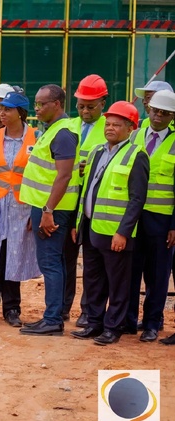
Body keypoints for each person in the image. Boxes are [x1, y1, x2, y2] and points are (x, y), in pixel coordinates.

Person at [70, 101, 149, 345]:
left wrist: (123, 232)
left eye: (117, 125)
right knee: (93, 280)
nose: (110, 128)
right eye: (108, 123)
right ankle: (94, 324)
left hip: (115, 233)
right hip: (92, 227)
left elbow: (137, 199)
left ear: (130, 129)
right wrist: (78, 223)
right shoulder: (96, 151)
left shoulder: (137, 155)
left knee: (118, 283)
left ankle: (112, 327)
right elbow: (87, 190)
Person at [18, 84, 80, 336]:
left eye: (42, 103)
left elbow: (63, 176)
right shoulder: (53, 129)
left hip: (53, 210)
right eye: (35, 103)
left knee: (51, 263)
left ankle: (53, 318)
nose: (37, 108)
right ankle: (53, 315)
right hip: (46, 208)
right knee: (54, 262)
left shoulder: (63, 133)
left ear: (57, 104)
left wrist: (47, 210)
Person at [0, 91, 40, 326]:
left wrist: (38, 210)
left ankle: (12, 309)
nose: (1, 113)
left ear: (21, 113)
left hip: (21, 206)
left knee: (15, 254)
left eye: (7, 109)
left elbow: (41, 177)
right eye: (0, 109)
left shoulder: (36, 138)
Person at [127, 89, 175, 341]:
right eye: (155, 110)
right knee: (131, 270)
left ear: (172, 116)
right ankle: (129, 319)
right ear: (148, 109)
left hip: (161, 218)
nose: (158, 116)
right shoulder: (134, 136)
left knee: (157, 275)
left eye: (165, 113)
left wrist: (174, 225)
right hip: (133, 218)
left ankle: (152, 322)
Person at [64, 74, 108, 327]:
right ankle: (62, 309)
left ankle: (89, 310)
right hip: (68, 201)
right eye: (81, 105)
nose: (85, 111)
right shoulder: (68, 126)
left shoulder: (112, 127)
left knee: (93, 263)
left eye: (90, 106)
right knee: (66, 259)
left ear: (103, 102)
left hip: (94, 202)